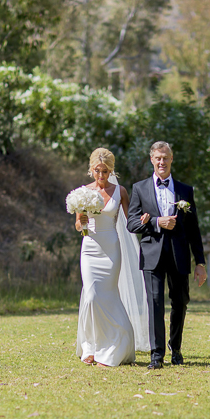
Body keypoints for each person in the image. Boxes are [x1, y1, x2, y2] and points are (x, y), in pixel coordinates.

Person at [126, 142, 207, 369]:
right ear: (152, 160)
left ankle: (176, 347)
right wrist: (156, 222)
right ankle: (156, 355)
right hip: (152, 255)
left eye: (166, 158)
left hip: (179, 255)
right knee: (154, 304)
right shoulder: (139, 188)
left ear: (172, 159)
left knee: (180, 302)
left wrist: (200, 262)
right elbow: (131, 223)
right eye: (158, 158)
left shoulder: (185, 190)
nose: (162, 162)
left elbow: (194, 230)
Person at [75, 148, 148, 366]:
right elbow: (78, 223)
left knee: (107, 295)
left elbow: (130, 221)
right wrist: (83, 223)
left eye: (105, 171)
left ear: (111, 171)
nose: (101, 175)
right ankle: (91, 346)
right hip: (90, 247)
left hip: (111, 248)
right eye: (97, 171)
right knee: (91, 296)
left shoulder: (120, 192)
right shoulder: (83, 192)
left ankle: (118, 343)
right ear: (91, 170)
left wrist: (144, 221)